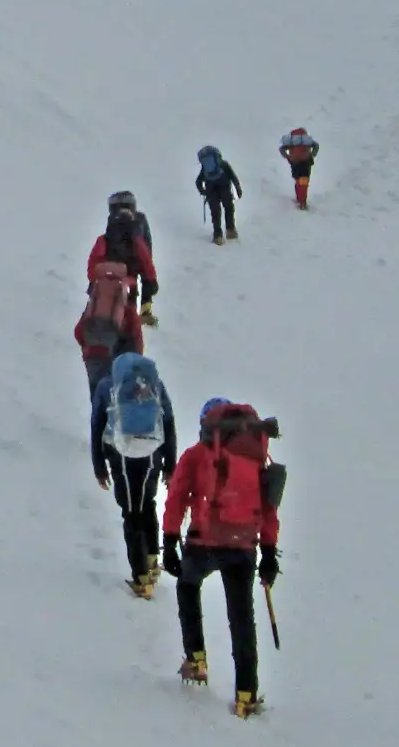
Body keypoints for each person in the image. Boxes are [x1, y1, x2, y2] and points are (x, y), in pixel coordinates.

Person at [162, 398, 285, 718]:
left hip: (205, 541)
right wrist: (269, 553)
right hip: (243, 545)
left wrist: (170, 539)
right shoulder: (257, 458)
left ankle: (197, 660)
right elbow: (269, 508)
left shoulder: (196, 454)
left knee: (188, 586)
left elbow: (176, 497)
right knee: (242, 618)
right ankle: (247, 694)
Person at [91, 350, 178, 595]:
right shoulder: (155, 384)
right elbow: (169, 422)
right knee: (147, 503)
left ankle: (141, 577)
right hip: (153, 453)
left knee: (131, 513)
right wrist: (170, 464)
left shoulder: (107, 386)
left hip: (123, 456)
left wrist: (99, 465)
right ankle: (151, 560)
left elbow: (97, 424)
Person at [75, 262, 146, 393]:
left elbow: (78, 333)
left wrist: (91, 344)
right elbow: (137, 341)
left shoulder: (95, 302)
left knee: (97, 398)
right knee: (115, 402)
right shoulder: (128, 310)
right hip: (118, 362)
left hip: (93, 356)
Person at [90, 192, 159, 324]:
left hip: (107, 281)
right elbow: (145, 258)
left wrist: (93, 281)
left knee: (105, 310)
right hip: (130, 279)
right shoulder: (137, 231)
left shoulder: (106, 237)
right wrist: (151, 280)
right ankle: (143, 314)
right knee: (129, 313)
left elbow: (94, 260)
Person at [195, 146, 243, 243]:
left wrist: (203, 192)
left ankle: (218, 236)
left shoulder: (205, 170)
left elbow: (198, 182)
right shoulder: (223, 165)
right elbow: (233, 177)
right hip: (225, 188)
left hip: (211, 191)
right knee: (229, 208)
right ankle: (230, 230)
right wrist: (238, 189)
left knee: (215, 212)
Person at [279, 128, 320, 211]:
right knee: (304, 182)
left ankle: (299, 199)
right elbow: (316, 145)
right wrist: (312, 155)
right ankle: (302, 202)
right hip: (306, 163)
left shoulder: (292, 140)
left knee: (298, 181)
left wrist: (288, 157)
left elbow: (282, 149)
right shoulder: (306, 140)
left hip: (295, 163)